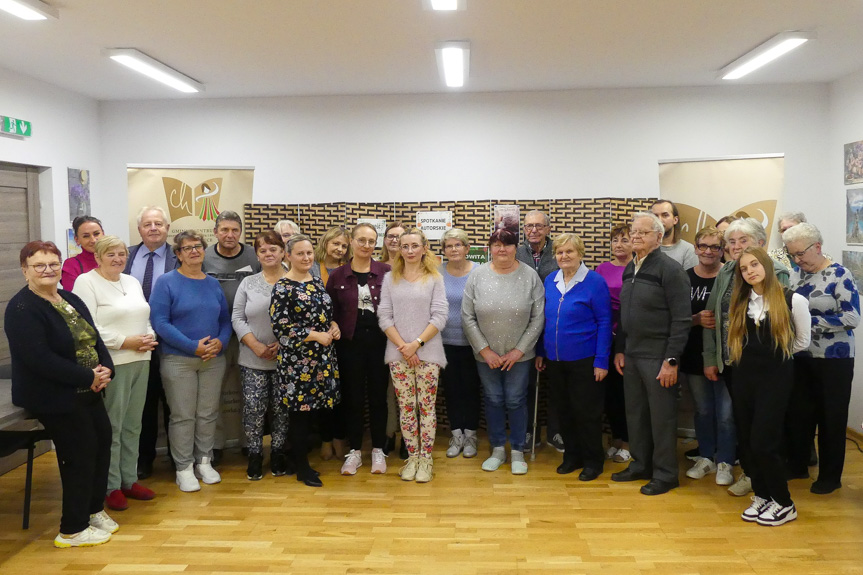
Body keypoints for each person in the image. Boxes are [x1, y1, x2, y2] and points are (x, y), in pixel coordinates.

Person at [5, 240, 118, 548]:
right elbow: (38, 358)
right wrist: (87, 376)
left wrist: (106, 369)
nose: (47, 270)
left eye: (53, 264)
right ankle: (72, 529)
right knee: (79, 456)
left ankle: (93, 511)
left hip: (88, 389)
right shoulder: (22, 308)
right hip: (54, 395)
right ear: (25, 270)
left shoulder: (68, 298)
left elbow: (94, 339)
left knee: (101, 445)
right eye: (38, 265)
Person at [703, 217, 790, 497]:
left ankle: (768, 486)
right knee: (741, 423)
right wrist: (711, 357)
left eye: (744, 240)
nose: (737, 246)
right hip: (732, 361)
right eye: (731, 241)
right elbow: (712, 318)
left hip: (766, 366)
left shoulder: (778, 272)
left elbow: (793, 332)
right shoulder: (727, 271)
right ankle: (753, 477)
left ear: (759, 244)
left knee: (761, 430)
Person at [73, 236, 158, 512]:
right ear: (97, 257)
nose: (118, 259)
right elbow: (88, 325)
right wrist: (125, 341)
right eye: (110, 254)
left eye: (122, 254)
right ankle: (110, 486)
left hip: (141, 359)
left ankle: (129, 480)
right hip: (114, 361)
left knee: (134, 424)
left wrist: (149, 338)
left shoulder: (131, 281)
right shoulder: (86, 282)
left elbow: (145, 316)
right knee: (114, 426)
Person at [730, 247, 810, 526]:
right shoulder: (742, 300)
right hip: (743, 379)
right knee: (748, 442)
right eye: (744, 268)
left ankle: (784, 503)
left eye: (754, 264)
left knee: (765, 442)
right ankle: (763, 495)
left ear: (767, 265)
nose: (750, 270)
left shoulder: (793, 299)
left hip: (775, 379)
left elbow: (801, 342)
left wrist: (777, 360)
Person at [611, 212, 690, 496]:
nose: (635, 237)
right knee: (636, 414)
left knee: (662, 418)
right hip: (631, 355)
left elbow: (682, 319)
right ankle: (640, 464)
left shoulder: (670, 270)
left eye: (642, 233)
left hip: (658, 357)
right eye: (633, 232)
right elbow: (624, 313)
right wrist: (620, 349)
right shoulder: (631, 268)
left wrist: (671, 360)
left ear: (659, 237)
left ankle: (666, 474)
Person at [149, 231, 232, 492]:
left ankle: (204, 461)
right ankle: (184, 468)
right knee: (183, 416)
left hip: (213, 359)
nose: (194, 251)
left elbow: (225, 320)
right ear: (178, 254)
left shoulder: (212, 283)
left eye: (198, 246)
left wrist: (221, 342)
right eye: (187, 248)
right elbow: (160, 322)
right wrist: (192, 346)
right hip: (178, 360)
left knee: (207, 414)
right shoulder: (166, 282)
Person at [783, 222, 859, 494]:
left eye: (801, 253)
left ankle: (830, 476)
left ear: (817, 246)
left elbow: (852, 318)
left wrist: (808, 321)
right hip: (801, 355)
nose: (797, 259)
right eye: (792, 255)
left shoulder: (840, 274)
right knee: (799, 414)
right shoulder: (796, 275)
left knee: (831, 417)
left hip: (834, 359)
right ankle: (798, 465)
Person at [462, 228, 544, 475]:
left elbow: (538, 318)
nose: (502, 249)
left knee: (516, 399)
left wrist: (519, 351)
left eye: (507, 245)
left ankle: (518, 451)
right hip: (486, 356)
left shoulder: (530, 276)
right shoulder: (477, 276)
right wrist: (485, 350)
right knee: (494, 399)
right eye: (496, 244)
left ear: (515, 248)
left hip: (519, 356)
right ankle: (498, 448)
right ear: (490, 248)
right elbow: (467, 316)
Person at [535, 233, 612, 481]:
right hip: (555, 361)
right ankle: (572, 456)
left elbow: (604, 321)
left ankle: (593, 461)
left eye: (569, 251)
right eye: (559, 252)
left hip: (585, 360)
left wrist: (601, 360)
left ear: (580, 254)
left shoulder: (594, 281)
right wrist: (540, 353)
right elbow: (543, 319)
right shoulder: (550, 280)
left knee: (586, 413)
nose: (564, 256)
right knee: (564, 411)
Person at [271, 234, 341, 488]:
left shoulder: (316, 281)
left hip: (322, 360)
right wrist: (315, 336)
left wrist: (333, 327)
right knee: (300, 416)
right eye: (300, 253)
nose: (306, 258)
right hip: (297, 363)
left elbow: (326, 314)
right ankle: (301, 467)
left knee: (314, 414)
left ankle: (301, 461)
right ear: (287, 256)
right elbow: (281, 327)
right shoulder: (283, 287)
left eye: (309, 253)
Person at [378, 228, 448, 483]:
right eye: (404, 246)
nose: (408, 251)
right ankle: (412, 456)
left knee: (425, 408)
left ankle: (426, 459)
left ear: (423, 248)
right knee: (406, 409)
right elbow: (384, 317)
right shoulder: (390, 279)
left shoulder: (434, 278)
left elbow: (440, 316)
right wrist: (404, 347)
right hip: (398, 355)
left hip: (428, 354)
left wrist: (416, 344)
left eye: (413, 246)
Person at [326, 223, 392, 476]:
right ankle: (354, 451)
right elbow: (329, 309)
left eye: (371, 241)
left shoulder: (386, 272)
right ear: (351, 241)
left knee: (378, 397)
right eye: (361, 240)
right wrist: (332, 323)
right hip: (349, 345)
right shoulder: (338, 275)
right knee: (352, 398)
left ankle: (378, 449)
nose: (366, 245)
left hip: (380, 343)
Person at [203, 211, 261, 465]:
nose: (229, 235)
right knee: (213, 392)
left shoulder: (253, 255)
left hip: (250, 333)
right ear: (215, 232)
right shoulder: (203, 256)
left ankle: (251, 441)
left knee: (251, 392)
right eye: (224, 230)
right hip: (215, 333)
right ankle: (214, 445)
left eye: (235, 230)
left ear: (241, 232)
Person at [232, 231, 291, 480]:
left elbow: (305, 319)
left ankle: (278, 454)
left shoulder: (294, 280)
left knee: (281, 409)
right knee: (254, 408)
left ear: (283, 252)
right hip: (252, 358)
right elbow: (237, 317)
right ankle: (255, 455)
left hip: (286, 359)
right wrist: (254, 344)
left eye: (273, 249)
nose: (268, 254)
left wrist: (284, 342)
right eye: (263, 250)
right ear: (257, 255)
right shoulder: (248, 283)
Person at [124, 206, 178, 480]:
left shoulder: (178, 256)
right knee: (142, 405)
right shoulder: (126, 257)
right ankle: (144, 459)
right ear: (139, 229)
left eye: (159, 223)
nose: (154, 228)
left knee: (174, 403)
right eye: (148, 224)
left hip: (171, 341)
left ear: (168, 228)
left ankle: (177, 457)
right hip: (135, 342)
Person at [679, 227, 735, 487]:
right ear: (695, 247)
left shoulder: (731, 276)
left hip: (725, 356)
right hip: (692, 355)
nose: (708, 252)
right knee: (702, 411)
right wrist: (695, 320)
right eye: (703, 246)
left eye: (715, 247)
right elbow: (675, 318)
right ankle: (705, 457)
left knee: (726, 413)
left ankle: (725, 460)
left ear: (722, 250)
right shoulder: (684, 278)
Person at [515, 210, 561, 452]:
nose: (533, 230)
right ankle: (527, 432)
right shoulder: (517, 252)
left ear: (548, 229)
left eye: (539, 226)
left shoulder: (559, 250)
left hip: (554, 325)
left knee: (556, 384)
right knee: (526, 385)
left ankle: (555, 432)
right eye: (529, 226)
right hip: (524, 327)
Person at [439, 228, 481, 459]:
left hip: (475, 343)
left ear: (467, 248)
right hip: (444, 342)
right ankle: (456, 435)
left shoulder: (480, 272)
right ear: (444, 250)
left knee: (472, 391)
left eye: (458, 245)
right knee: (452, 391)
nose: (453, 249)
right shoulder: (436, 272)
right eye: (449, 246)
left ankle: (471, 436)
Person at [595, 223, 633, 463]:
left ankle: (629, 443)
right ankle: (616, 439)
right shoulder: (601, 268)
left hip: (629, 337)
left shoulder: (638, 267)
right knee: (609, 394)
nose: (619, 245)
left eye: (624, 240)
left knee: (626, 394)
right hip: (605, 337)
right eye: (615, 240)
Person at [378, 221, 407, 457]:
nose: (395, 240)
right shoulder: (376, 268)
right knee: (388, 393)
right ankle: (388, 435)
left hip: (412, 340)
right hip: (383, 337)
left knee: (411, 393)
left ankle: (409, 438)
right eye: (391, 236)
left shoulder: (417, 267)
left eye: (400, 236)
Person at [650, 200, 698, 269]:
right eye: (655, 216)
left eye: (665, 215)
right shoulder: (645, 248)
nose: (659, 220)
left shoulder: (688, 250)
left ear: (675, 220)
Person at [61, 215, 105, 290]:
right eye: (86, 236)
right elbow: (73, 298)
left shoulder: (114, 259)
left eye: (96, 234)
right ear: (77, 240)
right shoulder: (72, 265)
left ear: (103, 234)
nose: (93, 240)